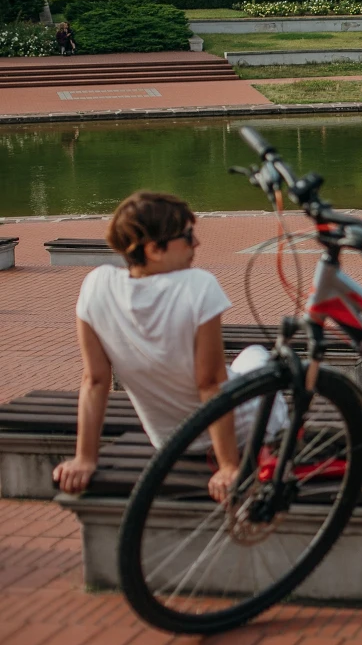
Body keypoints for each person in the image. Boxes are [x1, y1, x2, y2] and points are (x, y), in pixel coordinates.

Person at [52, 192, 287, 501]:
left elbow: (94, 380)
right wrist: (228, 465)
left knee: (246, 359)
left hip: (170, 439)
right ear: (153, 249)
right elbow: (211, 383)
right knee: (258, 356)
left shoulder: (96, 286)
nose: (196, 244)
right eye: (187, 237)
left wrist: (85, 458)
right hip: (244, 426)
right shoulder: (198, 286)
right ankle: (272, 440)